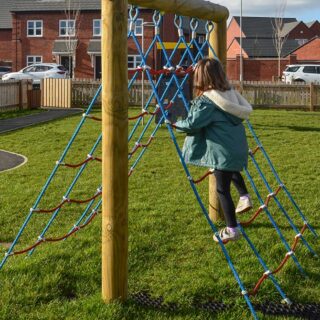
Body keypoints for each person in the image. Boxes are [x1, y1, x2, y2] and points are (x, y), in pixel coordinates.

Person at [173, 58, 253, 244]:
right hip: (237, 148)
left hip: (222, 151)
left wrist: (176, 124)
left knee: (221, 189)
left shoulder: (208, 101)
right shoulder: (229, 94)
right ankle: (245, 196)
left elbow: (193, 124)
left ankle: (232, 229)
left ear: (200, 77)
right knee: (231, 171)